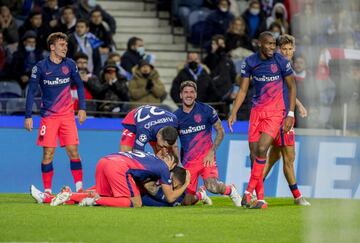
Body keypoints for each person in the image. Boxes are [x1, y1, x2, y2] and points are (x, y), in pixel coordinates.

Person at [228, 31, 296, 209]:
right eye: (269, 44)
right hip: (256, 112)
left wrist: (290, 113)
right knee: (254, 154)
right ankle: (261, 199)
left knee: (262, 148)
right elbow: (242, 91)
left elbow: (292, 86)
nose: (273, 47)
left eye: (274, 44)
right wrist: (233, 112)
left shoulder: (281, 61)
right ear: (260, 44)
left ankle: (248, 192)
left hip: (275, 112)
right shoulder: (250, 62)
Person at [24, 32, 87, 195]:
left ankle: (79, 188)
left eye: (66, 45)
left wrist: (82, 108)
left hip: (67, 116)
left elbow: (80, 86)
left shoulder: (71, 64)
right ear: (52, 47)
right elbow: (31, 92)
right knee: (48, 153)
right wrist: (28, 116)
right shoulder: (40, 67)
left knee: (73, 151)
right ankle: (47, 190)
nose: (65, 48)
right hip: (49, 117)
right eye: (61, 45)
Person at [174, 81, 242, 206]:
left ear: (196, 94)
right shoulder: (175, 117)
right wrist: (178, 163)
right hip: (188, 163)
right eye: (186, 92)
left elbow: (221, 131)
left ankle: (231, 190)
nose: (189, 95)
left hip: (207, 158)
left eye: (192, 92)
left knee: (212, 186)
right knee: (186, 202)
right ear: (180, 95)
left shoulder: (206, 110)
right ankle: (201, 194)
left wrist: (211, 152)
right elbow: (173, 142)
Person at [262, 34, 310, 206]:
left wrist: (299, 105)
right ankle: (297, 197)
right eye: (284, 49)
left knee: (273, 157)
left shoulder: (283, 65)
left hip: (281, 116)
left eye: (290, 49)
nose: (287, 52)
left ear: (294, 49)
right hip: (281, 118)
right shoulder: (278, 66)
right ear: (278, 49)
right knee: (289, 158)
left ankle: (252, 190)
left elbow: (287, 91)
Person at [30, 156, 190, 207]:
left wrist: (199, 194)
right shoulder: (160, 175)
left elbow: (193, 196)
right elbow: (157, 191)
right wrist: (186, 181)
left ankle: (46, 198)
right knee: (135, 203)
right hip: (122, 174)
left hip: (109, 162)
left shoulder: (176, 192)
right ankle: (91, 199)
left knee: (91, 192)